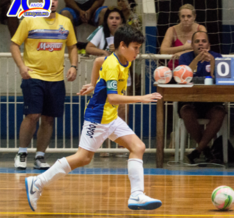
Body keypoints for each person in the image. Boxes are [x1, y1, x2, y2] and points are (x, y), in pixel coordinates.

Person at [24, 25, 163, 211]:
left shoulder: (124, 59)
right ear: (122, 45)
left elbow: (98, 61)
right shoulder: (114, 65)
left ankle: (137, 195)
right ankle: (37, 182)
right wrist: (141, 98)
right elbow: (113, 97)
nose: (138, 52)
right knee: (83, 158)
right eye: (135, 47)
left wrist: (95, 84)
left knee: (138, 147)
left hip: (110, 117)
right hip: (97, 118)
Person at [10, 0, 78, 170]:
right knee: (32, 115)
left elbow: (72, 45)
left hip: (56, 79)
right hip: (33, 77)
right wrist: (22, 67)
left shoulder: (65, 22)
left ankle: (40, 156)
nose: (53, 2)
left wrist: (73, 65)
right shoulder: (29, 20)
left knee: (48, 118)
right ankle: (22, 153)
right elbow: (14, 44)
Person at [178, 31, 226, 164]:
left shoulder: (217, 57)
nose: (200, 44)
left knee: (220, 112)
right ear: (192, 45)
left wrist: (212, 61)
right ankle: (206, 150)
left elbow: (221, 79)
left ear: (209, 44)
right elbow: (183, 76)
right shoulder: (184, 57)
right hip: (191, 100)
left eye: (203, 41)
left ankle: (198, 150)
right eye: (197, 41)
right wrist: (197, 59)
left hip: (211, 101)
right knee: (186, 111)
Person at [86, 7, 127, 157]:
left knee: (122, 112)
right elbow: (89, 47)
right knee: (105, 112)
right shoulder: (101, 32)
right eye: (111, 18)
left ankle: (121, 145)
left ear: (122, 20)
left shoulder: (126, 35)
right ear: (107, 20)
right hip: (105, 78)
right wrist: (104, 53)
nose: (114, 21)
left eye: (117, 18)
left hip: (122, 78)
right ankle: (105, 146)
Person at [160, 4, 207, 70]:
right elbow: (163, 51)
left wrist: (183, 53)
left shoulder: (200, 29)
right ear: (179, 17)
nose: (186, 19)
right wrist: (184, 47)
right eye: (183, 16)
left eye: (189, 16)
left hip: (195, 68)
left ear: (194, 17)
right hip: (175, 68)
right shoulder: (172, 30)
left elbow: (205, 48)